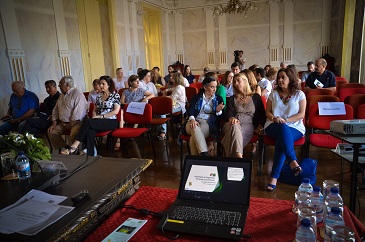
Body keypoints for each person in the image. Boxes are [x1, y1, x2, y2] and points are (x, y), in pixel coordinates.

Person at [264, 68, 306, 191]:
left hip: (295, 127)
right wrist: (275, 118)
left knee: (281, 140)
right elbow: (268, 112)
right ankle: (292, 161)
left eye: (283, 77)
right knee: (282, 130)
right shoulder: (273, 93)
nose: (280, 80)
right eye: (279, 78)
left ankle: (274, 177)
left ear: (290, 78)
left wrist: (286, 120)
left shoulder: (299, 94)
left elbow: (301, 114)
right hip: (273, 125)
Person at [60, 75, 121, 156]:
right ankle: (91, 155)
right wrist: (95, 116)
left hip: (111, 121)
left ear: (109, 85)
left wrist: (101, 117)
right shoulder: (99, 97)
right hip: (99, 121)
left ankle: (74, 146)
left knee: (88, 122)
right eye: (100, 84)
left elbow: (116, 111)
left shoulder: (115, 95)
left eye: (103, 84)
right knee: (90, 131)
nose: (101, 86)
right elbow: (95, 110)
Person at [221, 73, 266, 158]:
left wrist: (259, 126)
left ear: (245, 81)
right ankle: (239, 158)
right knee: (234, 126)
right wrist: (232, 118)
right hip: (231, 124)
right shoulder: (231, 98)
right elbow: (228, 114)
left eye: (238, 81)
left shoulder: (255, 97)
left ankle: (231, 158)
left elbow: (261, 115)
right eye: (234, 82)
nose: (236, 83)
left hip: (248, 125)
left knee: (235, 135)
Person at [184, 76, 225, 156]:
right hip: (193, 121)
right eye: (212, 87)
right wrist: (192, 119)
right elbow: (191, 109)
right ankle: (205, 156)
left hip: (207, 123)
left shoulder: (218, 99)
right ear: (205, 87)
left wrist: (218, 111)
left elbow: (221, 118)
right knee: (194, 127)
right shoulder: (196, 97)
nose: (214, 89)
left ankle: (196, 162)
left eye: (215, 87)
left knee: (194, 138)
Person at [48, 76, 88, 151]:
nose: (59, 86)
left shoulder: (77, 94)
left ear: (67, 85)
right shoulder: (62, 95)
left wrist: (71, 124)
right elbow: (55, 110)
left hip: (77, 122)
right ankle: (65, 148)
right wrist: (54, 123)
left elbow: (78, 113)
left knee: (74, 133)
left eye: (60, 84)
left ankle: (75, 150)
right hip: (63, 123)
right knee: (51, 132)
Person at [157, 72, 187, 140]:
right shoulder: (177, 87)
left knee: (162, 112)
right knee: (159, 110)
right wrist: (166, 90)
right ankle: (159, 130)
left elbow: (172, 98)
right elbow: (170, 90)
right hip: (174, 103)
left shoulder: (179, 87)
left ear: (176, 79)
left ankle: (163, 132)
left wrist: (164, 96)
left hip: (179, 106)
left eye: (172, 77)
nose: (171, 78)